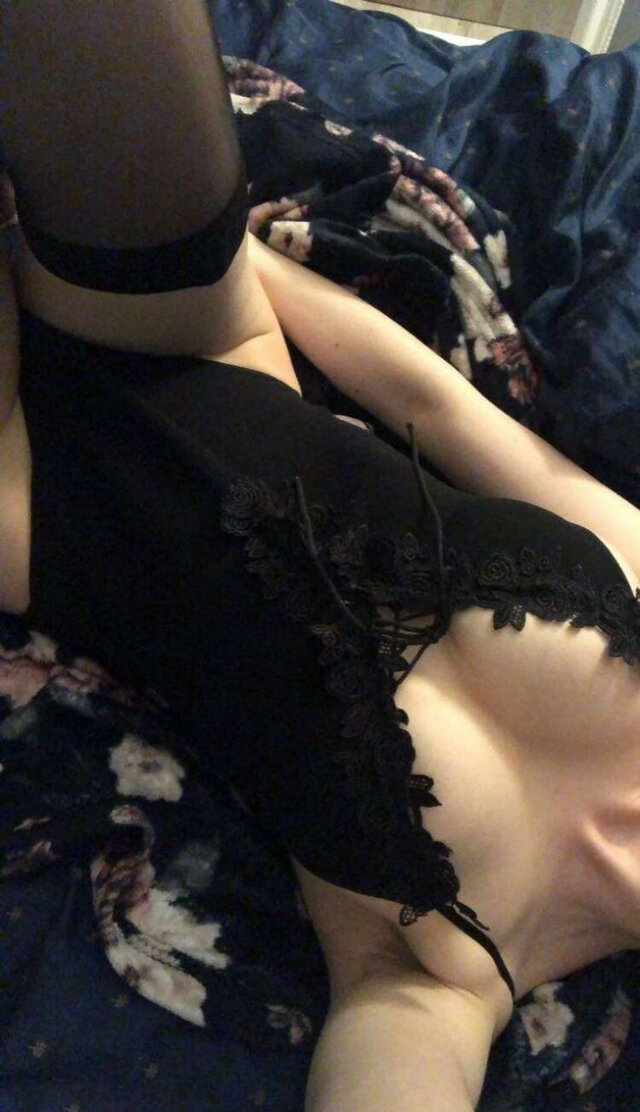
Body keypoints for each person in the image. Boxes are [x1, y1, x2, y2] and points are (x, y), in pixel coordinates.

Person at [0, 4, 639, 1109]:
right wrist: (238, 259)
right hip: (196, 332)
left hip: (26, 507)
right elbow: (433, 401)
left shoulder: (465, 978)